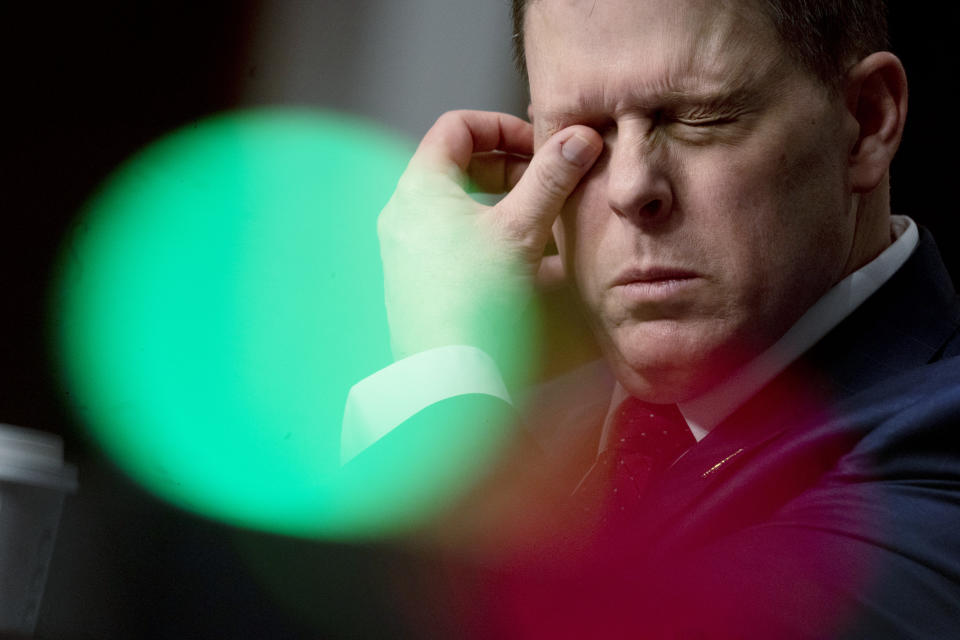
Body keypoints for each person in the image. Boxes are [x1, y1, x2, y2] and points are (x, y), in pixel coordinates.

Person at [343, 0, 960, 636]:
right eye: (578, 133)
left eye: (701, 116)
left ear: (866, 123)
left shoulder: (941, 456)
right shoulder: (540, 434)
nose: (631, 188)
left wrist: (437, 363)